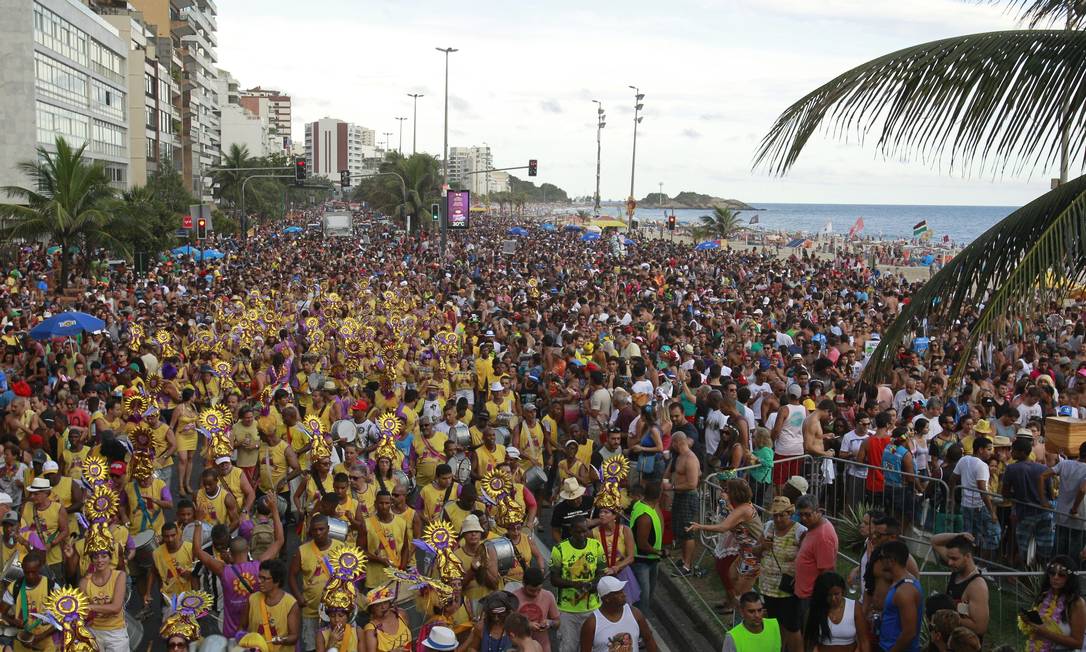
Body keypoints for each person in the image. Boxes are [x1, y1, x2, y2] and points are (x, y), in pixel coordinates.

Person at [191, 494, 284, 640]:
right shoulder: (258, 566)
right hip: (256, 630)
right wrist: (274, 510)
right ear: (248, 550)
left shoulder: (223, 571)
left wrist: (198, 522)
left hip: (232, 634)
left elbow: (197, 550)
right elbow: (279, 540)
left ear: (229, 555)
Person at [688, 478, 762, 615]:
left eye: (727, 489)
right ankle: (752, 604)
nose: (724, 491)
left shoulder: (744, 509)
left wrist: (700, 526)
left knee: (741, 592)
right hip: (744, 552)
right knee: (732, 576)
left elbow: (723, 527)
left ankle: (744, 619)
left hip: (753, 555)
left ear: (734, 492)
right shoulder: (741, 507)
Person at [756, 496, 805, 652]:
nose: (777, 519)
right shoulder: (768, 527)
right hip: (768, 586)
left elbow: (806, 559)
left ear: (789, 513)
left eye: (781, 515)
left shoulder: (800, 531)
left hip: (788, 588)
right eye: (774, 515)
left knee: (792, 626)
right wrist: (762, 546)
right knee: (773, 623)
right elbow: (755, 552)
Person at [550, 517, 605, 652]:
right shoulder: (559, 549)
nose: (582, 535)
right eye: (578, 532)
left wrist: (593, 584)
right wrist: (576, 585)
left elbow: (602, 572)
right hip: (568, 611)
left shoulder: (596, 546)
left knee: (591, 647)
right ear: (571, 531)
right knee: (568, 647)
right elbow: (553, 579)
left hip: (592, 608)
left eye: (584, 531)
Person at [289, 514, 343, 652]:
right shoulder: (302, 550)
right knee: (311, 647)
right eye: (315, 530)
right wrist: (299, 598)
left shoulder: (340, 547)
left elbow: (350, 574)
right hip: (311, 611)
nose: (318, 533)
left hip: (336, 611)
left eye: (321, 529)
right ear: (310, 531)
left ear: (328, 529)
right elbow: (291, 576)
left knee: (338, 646)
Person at [1021, 555, 1086, 652]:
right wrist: (1029, 623)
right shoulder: (1043, 596)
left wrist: (1046, 633)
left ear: (1070, 577)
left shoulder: (1076, 603)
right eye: (1052, 573)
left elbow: (1078, 643)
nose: (1055, 577)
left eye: (1061, 574)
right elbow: (1039, 627)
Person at [930, 533, 989, 638]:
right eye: (949, 558)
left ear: (967, 556)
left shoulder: (977, 586)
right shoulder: (957, 566)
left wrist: (949, 617)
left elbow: (980, 628)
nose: (950, 563)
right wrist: (959, 535)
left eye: (954, 558)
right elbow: (935, 541)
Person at [578, 575, 658, 652]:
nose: (624, 595)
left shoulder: (635, 614)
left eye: (622, 591)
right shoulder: (592, 624)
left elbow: (648, 639)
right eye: (618, 593)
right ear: (607, 598)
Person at [79, 523, 128, 649]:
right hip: (93, 632)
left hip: (116, 633)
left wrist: (89, 606)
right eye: (96, 557)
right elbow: (83, 613)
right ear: (91, 559)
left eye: (104, 556)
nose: (100, 560)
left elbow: (116, 607)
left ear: (110, 557)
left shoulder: (119, 576)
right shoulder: (84, 582)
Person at [951, 437, 1000, 558]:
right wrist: (991, 511)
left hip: (966, 504)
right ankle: (983, 563)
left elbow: (952, 479)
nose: (991, 452)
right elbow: (982, 489)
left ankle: (970, 561)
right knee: (993, 534)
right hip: (979, 506)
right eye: (988, 449)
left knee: (969, 536)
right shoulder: (982, 465)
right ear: (980, 450)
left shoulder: (963, 459)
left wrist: (951, 497)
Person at [241, 559, 300, 652]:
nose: (259, 581)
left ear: (277, 581)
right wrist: (242, 637)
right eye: (259, 577)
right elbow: (241, 626)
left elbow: (294, 636)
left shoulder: (290, 604)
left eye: (264, 578)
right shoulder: (252, 599)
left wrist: (281, 640)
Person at [876, 540, 923, 652]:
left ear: (891, 561)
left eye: (881, 557)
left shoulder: (905, 591)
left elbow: (909, 632)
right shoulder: (899, 582)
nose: (879, 561)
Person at [665, 431, 700, 576]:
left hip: (688, 497)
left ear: (677, 442)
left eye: (672, 443)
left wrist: (672, 487)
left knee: (688, 532)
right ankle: (683, 558)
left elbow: (692, 483)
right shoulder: (679, 456)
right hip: (680, 497)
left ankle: (687, 565)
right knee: (681, 529)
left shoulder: (690, 458)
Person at [795, 495, 838, 607]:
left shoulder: (823, 536)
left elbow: (827, 572)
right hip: (805, 593)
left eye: (807, 514)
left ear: (818, 511)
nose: (803, 518)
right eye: (801, 515)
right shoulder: (813, 526)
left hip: (812, 597)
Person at [631, 481, 664, 618]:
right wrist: (659, 552)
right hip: (642, 561)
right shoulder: (645, 516)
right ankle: (640, 628)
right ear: (659, 496)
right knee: (643, 599)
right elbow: (642, 544)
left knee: (648, 594)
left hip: (652, 559)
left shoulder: (646, 505)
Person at [804, 571, 859, 652]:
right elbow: (810, 640)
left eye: (836, 594)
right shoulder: (816, 609)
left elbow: (863, 642)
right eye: (829, 595)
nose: (833, 598)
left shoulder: (855, 607)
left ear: (843, 591)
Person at [512, 567, 560, 652]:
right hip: (520, 647)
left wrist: (549, 623)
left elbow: (557, 622)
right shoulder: (514, 597)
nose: (535, 593)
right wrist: (527, 625)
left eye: (539, 590)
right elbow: (509, 624)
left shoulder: (548, 596)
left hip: (543, 646)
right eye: (531, 590)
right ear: (523, 584)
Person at [362, 584, 411, 652]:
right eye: (378, 605)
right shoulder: (371, 629)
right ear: (372, 609)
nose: (383, 607)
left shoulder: (401, 614)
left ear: (389, 603)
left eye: (385, 602)